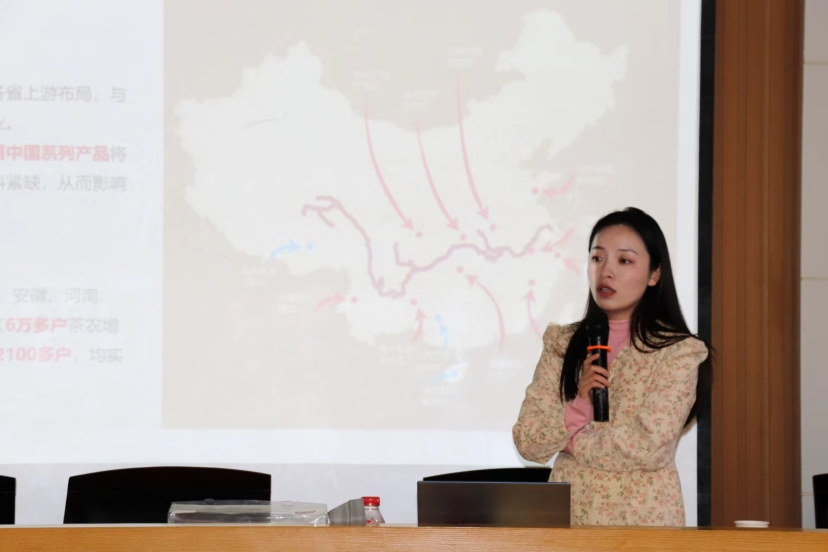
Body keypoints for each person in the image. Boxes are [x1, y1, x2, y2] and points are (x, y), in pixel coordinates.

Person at [512, 207, 711, 526]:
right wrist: (580, 404)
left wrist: (571, 442)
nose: (606, 271)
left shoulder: (679, 352)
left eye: (624, 260)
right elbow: (528, 440)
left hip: (642, 526)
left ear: (654, 274)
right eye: (597, 258)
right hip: (569, 524)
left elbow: (648, 446)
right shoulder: (562, 343)